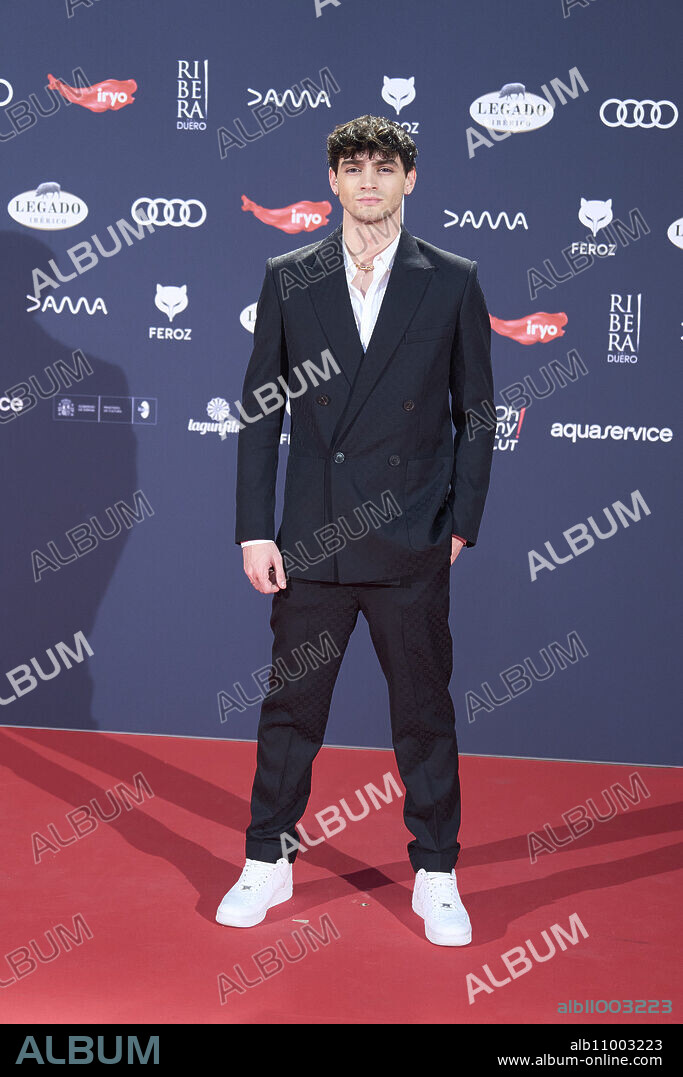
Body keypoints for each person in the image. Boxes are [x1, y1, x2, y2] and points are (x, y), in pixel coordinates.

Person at [216, 115, 494, 946]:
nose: (367, 181)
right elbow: (261, 409)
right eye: (352, 167)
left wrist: (461, 523)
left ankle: (436, 869)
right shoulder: (289, 275)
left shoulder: (450, 279)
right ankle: (268, 856)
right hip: (309, 539)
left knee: (422, 713)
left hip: (412, 538)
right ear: (331, 180)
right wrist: (252, 529)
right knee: (290, 710)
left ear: (412, 177)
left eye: (383, 166)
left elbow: (474, 414)